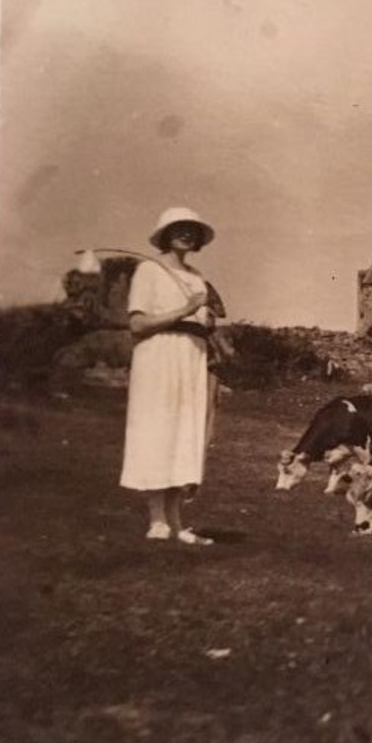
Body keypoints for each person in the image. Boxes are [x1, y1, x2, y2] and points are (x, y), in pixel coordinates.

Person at [120, 207, 225, 545]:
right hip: (159, 357)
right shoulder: (148, 271)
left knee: (186, 432)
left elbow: (202, 320)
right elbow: (137, 324)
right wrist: (185, 310)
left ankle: (177, 521)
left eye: (192, 230)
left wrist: (205, 322)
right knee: (158, 430)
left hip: (191, 358)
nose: (187, 235)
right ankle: (156, 520)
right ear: (166, 234)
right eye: (179, 229)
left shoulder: (196, 277)